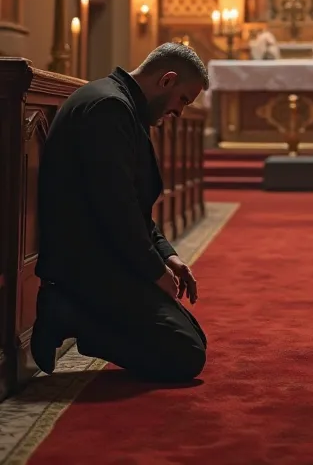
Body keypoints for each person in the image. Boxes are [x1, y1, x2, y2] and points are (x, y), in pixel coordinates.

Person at [32, 43, 209, 383]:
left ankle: (75, 313)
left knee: (193, 339)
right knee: (185, 355)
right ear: (167, 80)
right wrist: (153, 270)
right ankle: (66, 313)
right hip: (85, 266)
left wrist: (167, 257)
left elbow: (130, 203)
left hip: (105, 255)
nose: (180, 112)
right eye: (184, 99)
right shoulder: (109, 108)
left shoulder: (120, 104)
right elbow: (116, 210)